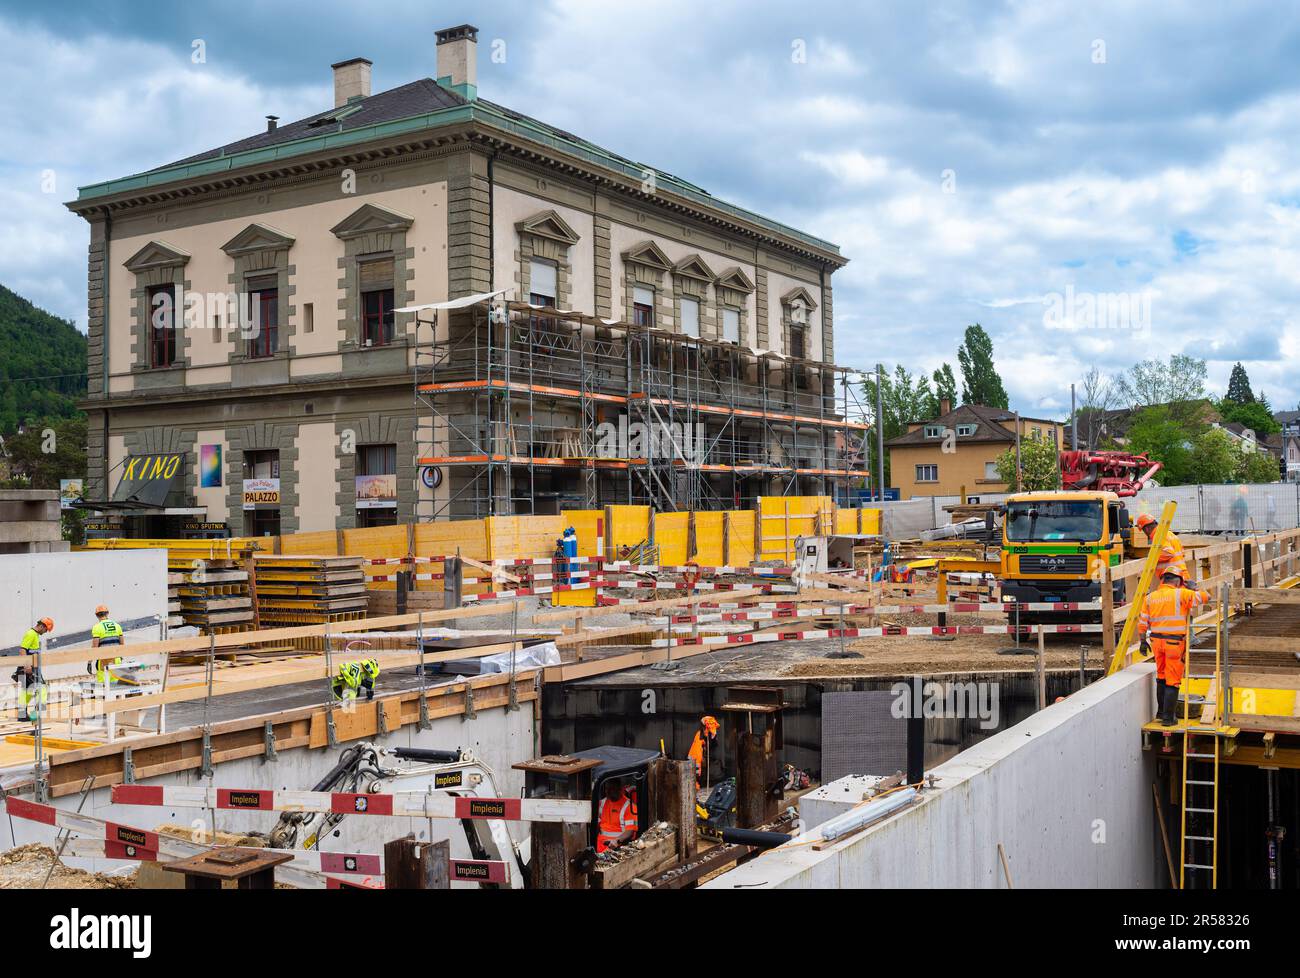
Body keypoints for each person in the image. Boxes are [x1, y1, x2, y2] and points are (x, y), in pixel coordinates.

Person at [1138, 571, 1208, 726]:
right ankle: (1169, 719)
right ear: (1177, 582)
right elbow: (1205, 597)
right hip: (1174, 644)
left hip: (1156, 642)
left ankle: (1162, 713)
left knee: (1161, 676)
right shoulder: (1181, 594)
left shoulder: (1150, 597)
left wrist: (1142, 641)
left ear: (1162, 580)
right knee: (1173, 680)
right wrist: (1194, 587)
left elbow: (1143, 621)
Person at [13, 618, 53, 722]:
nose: (45, 633)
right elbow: (22, 650)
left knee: (27, 691)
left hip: (33, 667)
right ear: (42, 626)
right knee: (42, 689)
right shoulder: (31, 634)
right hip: (29, 667)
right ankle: (36, 715)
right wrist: (27, 666)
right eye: (45, 630)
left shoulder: (35, 635)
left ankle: (22, 715)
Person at [1135, 513, 1190, 584]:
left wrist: (1151, 557)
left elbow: (1168, 553)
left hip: (1173, 578)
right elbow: (1182, 552)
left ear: (1146, 529)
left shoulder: (1158, 536)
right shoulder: (1169, 533)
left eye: (1143, 530)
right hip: (1182, 575)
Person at [595, 780, 638, 853]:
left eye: (611, 789)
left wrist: (617, 840)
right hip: (599, 847)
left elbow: (629, 831)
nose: (608, 792)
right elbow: (596, 824)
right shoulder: (601, 803)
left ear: (619, 789)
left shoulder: (629, 806)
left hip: (617, 848)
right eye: (606, 789)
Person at [89, 604, 125, 686]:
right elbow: (122, 644)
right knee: (116, 686)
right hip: (116, 659)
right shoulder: (117, 626)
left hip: (103, 660)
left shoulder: (97, 627)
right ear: (107, 613)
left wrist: (89, 661)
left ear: (96, 615)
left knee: (103, 686)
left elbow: (95, 647)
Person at [687, 715, 720, 786]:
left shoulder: (711, 734)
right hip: (696, 759)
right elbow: (697, 753)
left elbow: (714, 744)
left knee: (702, 773)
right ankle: (697, 785)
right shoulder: (699, 735)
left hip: (704, 757)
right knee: (696, 775)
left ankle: (701, 784)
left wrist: (713, 736)